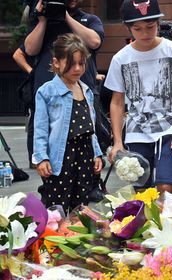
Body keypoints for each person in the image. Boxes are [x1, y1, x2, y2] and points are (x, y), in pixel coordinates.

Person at [105, 0, 172, 196]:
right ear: (128, 28)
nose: (145, 33)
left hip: (169, 128)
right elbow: (117, 102)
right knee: (141, 188)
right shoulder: (121, 58)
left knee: (166, 185)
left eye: (150, 27)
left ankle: (167, 224)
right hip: (136, 130)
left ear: (158, 24)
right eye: (137, 29)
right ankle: (146, 226)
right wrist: (118, 142)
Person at [24, 0, 104, 166]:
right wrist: (43, 20)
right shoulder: (43, 22)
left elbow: (94, 42)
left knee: (89, 132)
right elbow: (30, 49)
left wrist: (65, 16)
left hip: (82, 91)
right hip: (50, 92)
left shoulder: (89, 19)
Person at [32, 33, 103, 212]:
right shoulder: (46, 91)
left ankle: (74, 236)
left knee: (81, 207)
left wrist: (96, 153)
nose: (77, 68)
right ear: (56, 62)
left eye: (81, 63)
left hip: (85, 154)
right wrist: (41, 158)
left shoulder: (86, 90)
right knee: (56, 206)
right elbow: (40, 129)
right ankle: (53, 239)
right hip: (61, 156)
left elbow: (91, 127)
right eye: (71, 64)